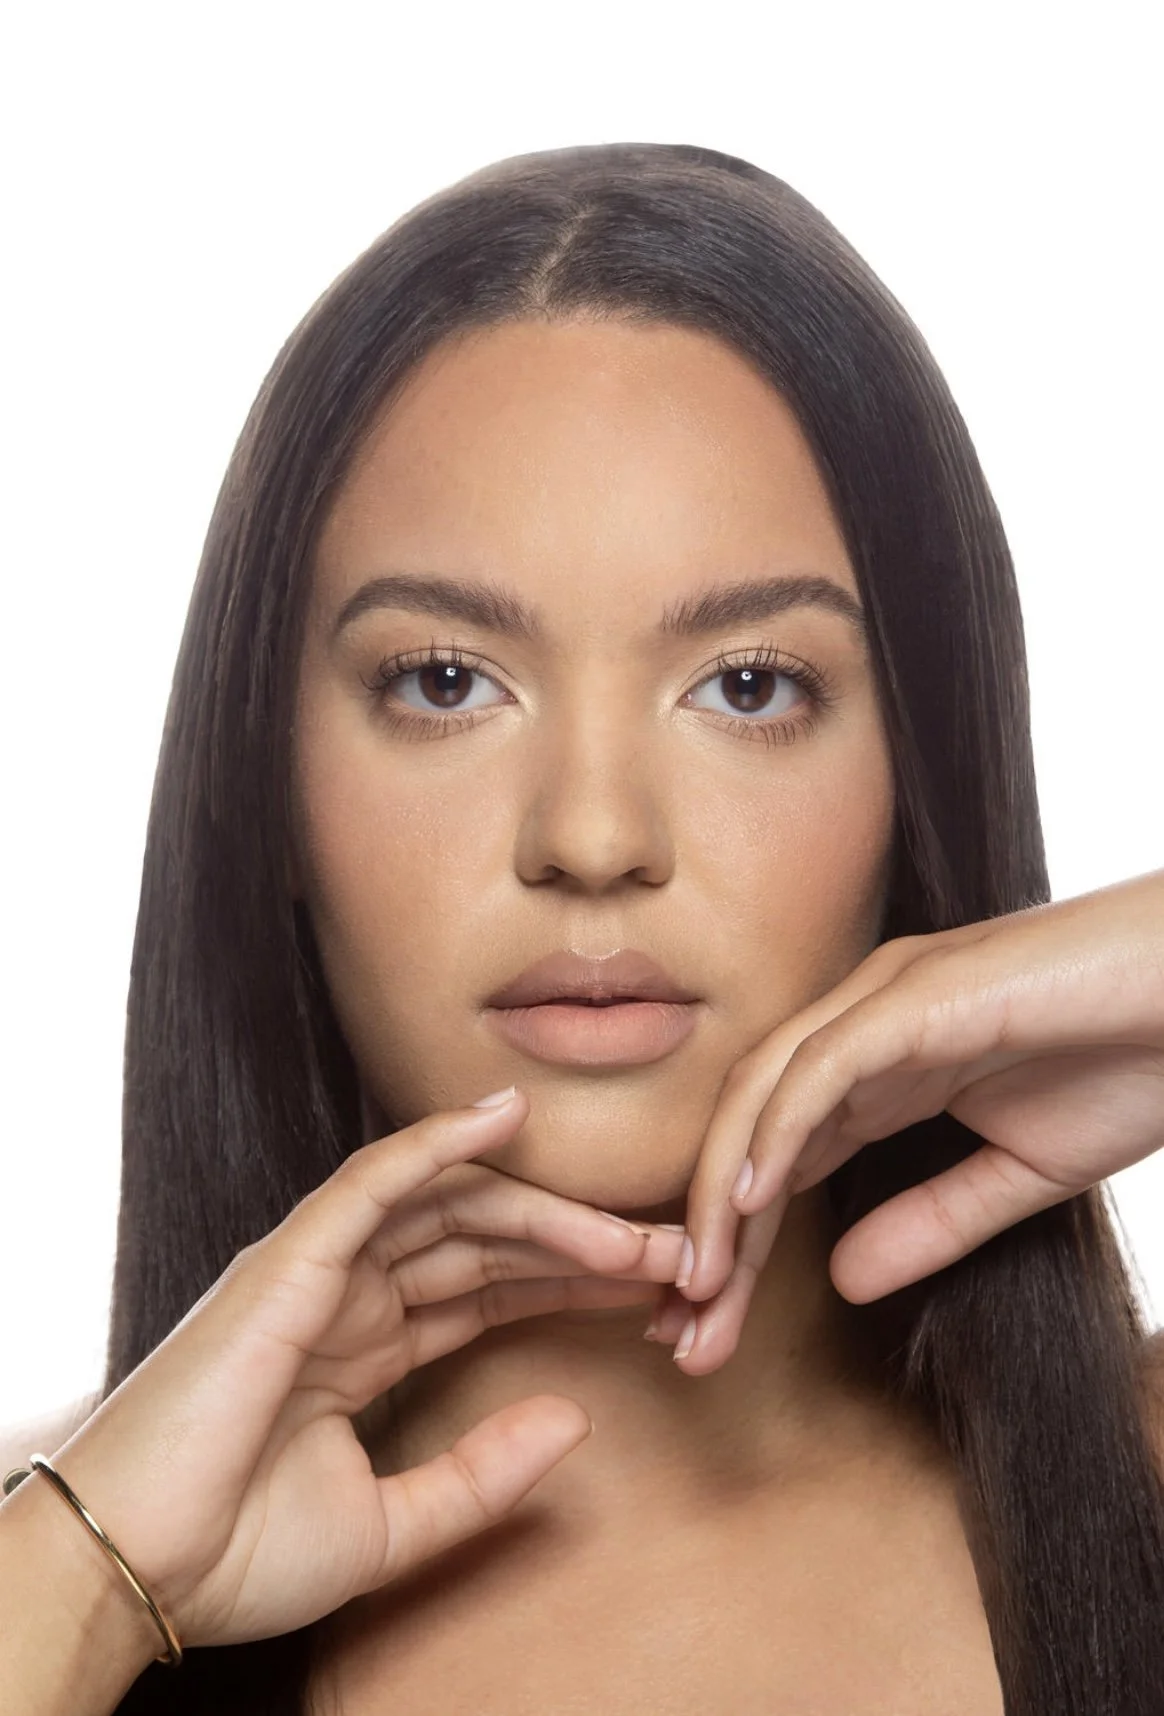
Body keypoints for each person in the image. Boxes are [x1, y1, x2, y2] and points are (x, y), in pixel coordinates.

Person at [1, 140, 1162, 1716]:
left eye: (749, 685)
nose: (594, 838)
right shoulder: (49, 1561)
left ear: (918, 779)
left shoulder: (1136, 1507)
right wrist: (88, 1582)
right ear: (267, 790)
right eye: (443, 682)